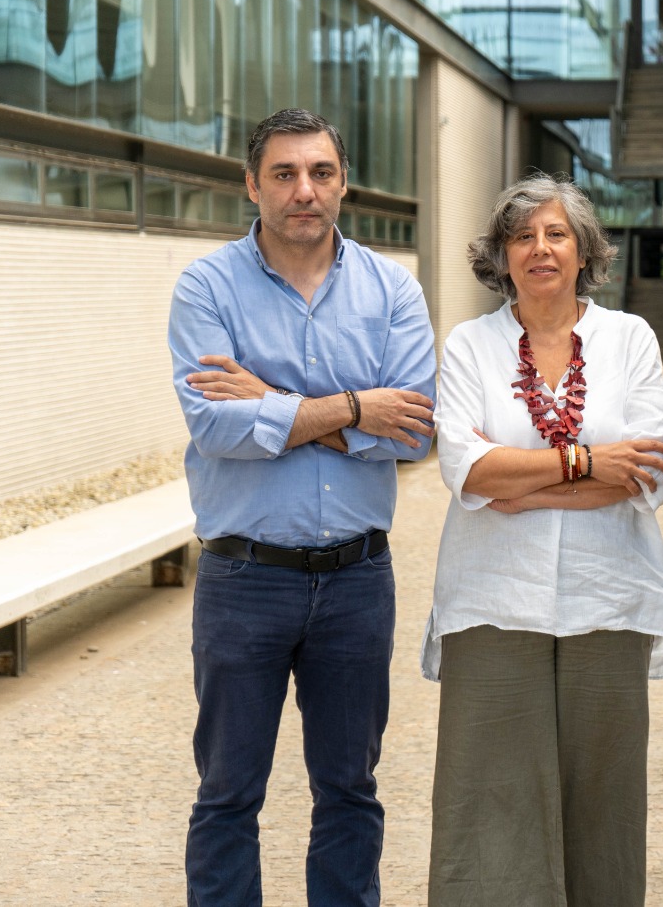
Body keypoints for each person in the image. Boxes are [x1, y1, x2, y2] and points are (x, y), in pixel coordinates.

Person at [168, 108, 437, 907]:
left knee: (350, 790)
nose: (304, 191)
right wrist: (356, 408)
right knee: (227, 794)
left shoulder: (393, 289)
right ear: (252, 186)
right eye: (283, 174)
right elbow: (216, 427)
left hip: (357, 581)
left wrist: (271, 401)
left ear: (344, 183)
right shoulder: (207, 288)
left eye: (320, 172)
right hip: (243, 579)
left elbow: (413, 431)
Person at [423, 174, 663, 907]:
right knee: (487, 798)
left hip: (610, 595)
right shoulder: (471, 345)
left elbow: (649, 471)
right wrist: (590, 462)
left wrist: (523, 484)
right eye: (522, 236)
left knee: (605, 802)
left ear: (584, 251)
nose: (540, 248)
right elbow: (466, 468)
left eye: (556, 233)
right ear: (501, 255)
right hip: (492, 598)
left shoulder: (628, 339)